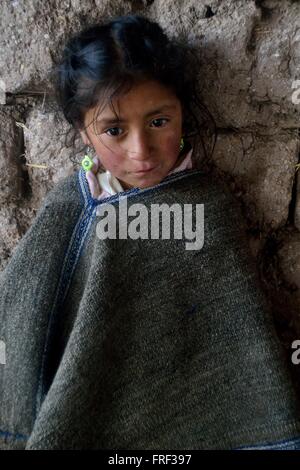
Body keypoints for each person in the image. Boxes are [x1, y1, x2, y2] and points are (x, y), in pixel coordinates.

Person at [1, 13, 300, 450]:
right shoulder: (70, 206)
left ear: (182, 112)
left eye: (159, 122)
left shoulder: (206, 208)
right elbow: (25, 313)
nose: (140, 151)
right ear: (83, 130)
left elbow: (234, 334)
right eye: (114, 130)